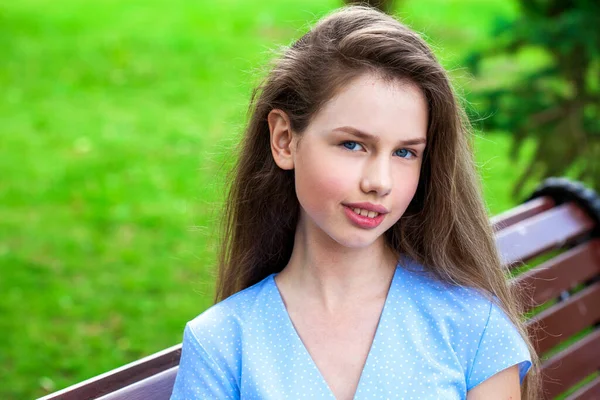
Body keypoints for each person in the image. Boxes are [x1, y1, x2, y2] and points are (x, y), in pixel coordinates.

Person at [170, 5, 539, 400]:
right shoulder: (223, 344)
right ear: (284, 140)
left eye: (405, 153)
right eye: (352, 144)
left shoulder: (470, 326)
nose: (379, 182)